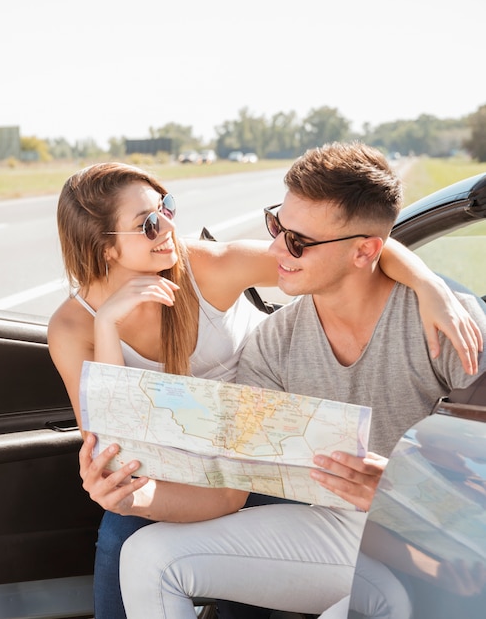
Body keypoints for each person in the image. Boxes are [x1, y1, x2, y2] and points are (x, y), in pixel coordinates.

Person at [47, 161, 482, 619]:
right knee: (125, 529)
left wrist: (430, 284)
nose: (169, 226)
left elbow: (353, 252)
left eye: (167, 207)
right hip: (216, 458)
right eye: (149, 222)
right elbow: (116, 442)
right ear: (105, 249)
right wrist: (108, 326)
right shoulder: (272, 347)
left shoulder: (209, 267)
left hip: (274, 451)